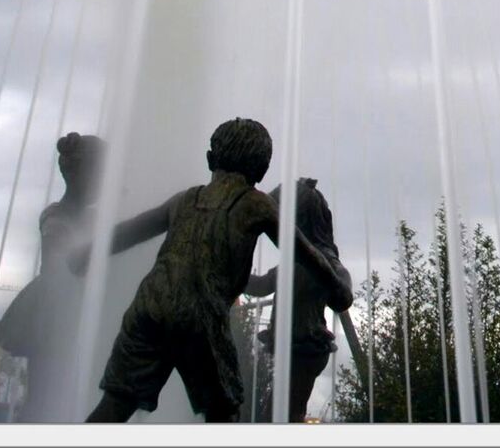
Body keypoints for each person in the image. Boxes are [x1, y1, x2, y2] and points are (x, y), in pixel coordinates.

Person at [73, 118, 353, 422]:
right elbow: (305, 252)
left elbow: (131, 230)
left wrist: (87, 252)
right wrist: (339, 290)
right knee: (222, 411)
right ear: (261, 171)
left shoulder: (184, 199)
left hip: (148, 309)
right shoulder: (256, 204)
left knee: (116, 402)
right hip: (200, 316)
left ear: (210, 159)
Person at [0, 132, 106, 421]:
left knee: (69, 390)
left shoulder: (93, 218)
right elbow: (58, 258)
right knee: (44, 394)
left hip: (72, 308)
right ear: (81, 175)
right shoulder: (55, 216)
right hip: (50, 312)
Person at [244, 177, 353, 422]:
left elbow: (343, 296)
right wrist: (235, 273)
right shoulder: (293, 264)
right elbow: (261, 286)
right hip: (291, 348)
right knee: (280, 413)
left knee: (281, 414)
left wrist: (328, 277)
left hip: (307, 348)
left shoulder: (324, 260)